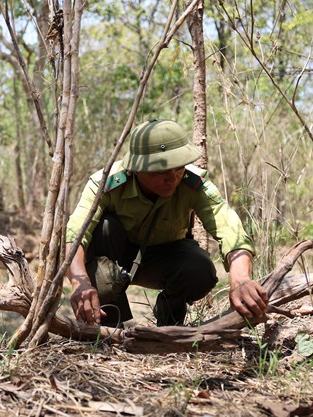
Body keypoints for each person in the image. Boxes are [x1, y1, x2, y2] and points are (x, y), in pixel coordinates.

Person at [65, 118, 268, 327]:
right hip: (114, 258)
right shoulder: (106, 184)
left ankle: (170, 318)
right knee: (106, 227)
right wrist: (79, 281)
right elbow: (75, 234)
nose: (172, 178)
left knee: (200, 270)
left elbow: (229, 227)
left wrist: (241, 278)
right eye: (160, 171)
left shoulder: (193, 184)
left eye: (177, 167)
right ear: (136, 168)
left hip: (165, 258)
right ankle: (108, 325)